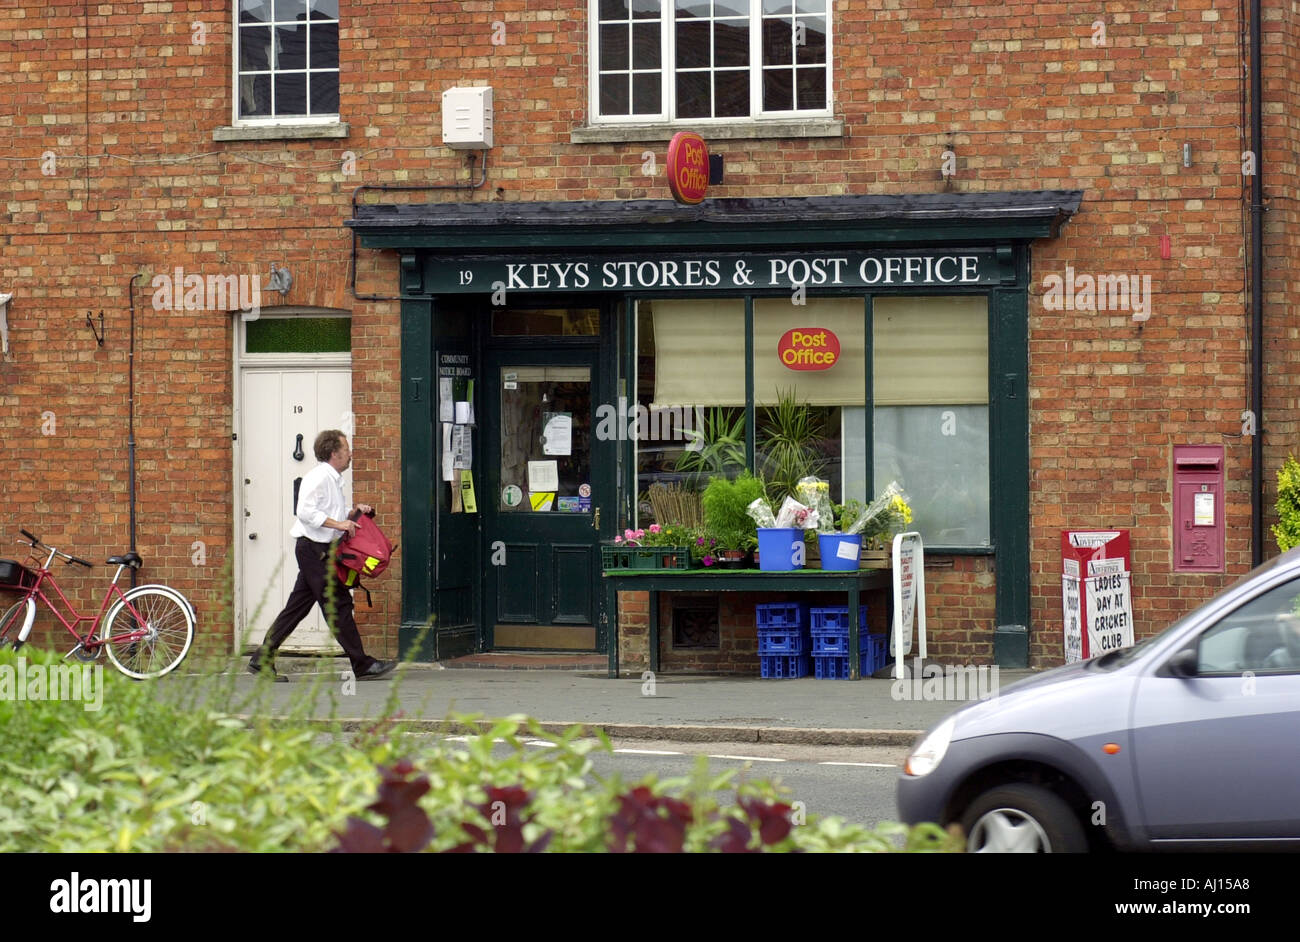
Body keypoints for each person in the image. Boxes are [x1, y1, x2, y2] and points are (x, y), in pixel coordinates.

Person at [247, 429, 396, 682]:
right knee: (338, 605)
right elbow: (305, 512)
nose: (350, 454)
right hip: (315, 551)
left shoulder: (333, 478)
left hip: (316, 551)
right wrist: (339, 526)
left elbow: (328, 510)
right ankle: (361, 664)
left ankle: (262, 658)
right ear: (333, 453)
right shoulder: (318, 478)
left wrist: (352, 513)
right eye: (346, 450)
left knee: (297, 608)